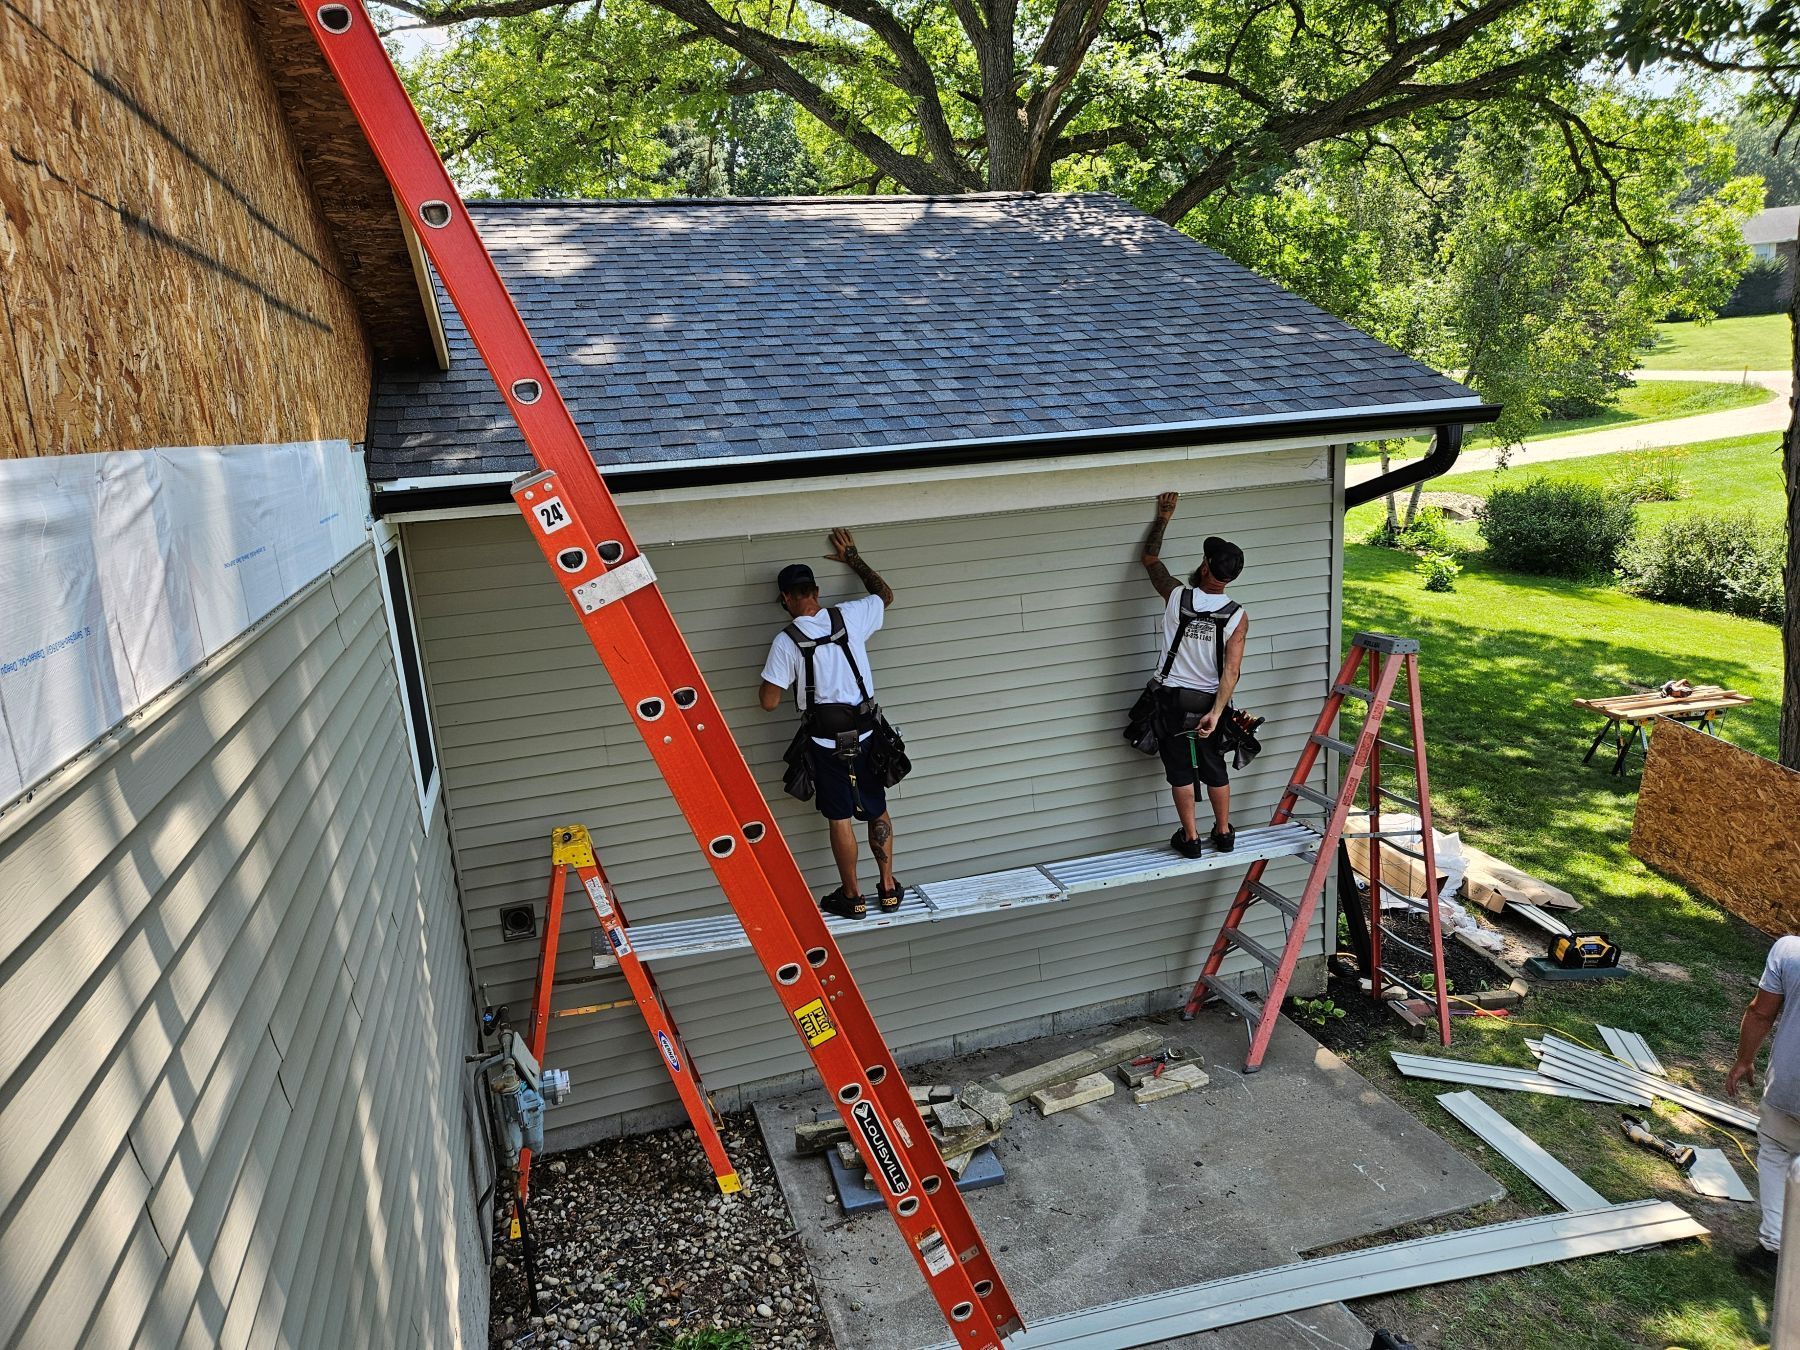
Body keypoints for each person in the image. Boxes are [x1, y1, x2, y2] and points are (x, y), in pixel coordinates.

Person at [758, 528, 901, 920]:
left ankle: (853, 898)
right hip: (869, 735)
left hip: (826, 744)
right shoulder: (850, 617)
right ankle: (888, 889)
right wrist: (853, 558)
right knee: (877, 809)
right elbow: (885, 595)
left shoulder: (786, 642)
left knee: (840, 818)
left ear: (785, 598)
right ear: (816, 592)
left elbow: (769, 703)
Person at [1139, 491, 1248, 858]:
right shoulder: (1237, 615)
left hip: (1172, 698)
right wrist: (1216, 713)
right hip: (1209, 702)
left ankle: (1191, 838)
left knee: (1180, 768)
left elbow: (1150, 559)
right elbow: (1232, 670)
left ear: (1205, 567)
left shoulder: (1176, 596)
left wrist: (1164, 517)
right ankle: (1223, 833)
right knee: (1214, 764)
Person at [1726, 933, 1800, 1279]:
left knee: (1777, 1150)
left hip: (1791, 1085)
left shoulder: (1790, 951)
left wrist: (1744, 1059)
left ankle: (1773, 1249)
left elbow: (1760, 1013)